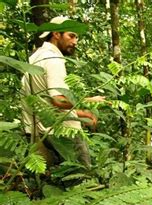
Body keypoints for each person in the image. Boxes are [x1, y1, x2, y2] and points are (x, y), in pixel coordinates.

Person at [20, 16, 104, 169]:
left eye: (77, 37)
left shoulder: (35, 57)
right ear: (56, 34)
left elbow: (46, 102)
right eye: (71, 36)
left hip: (37, 132)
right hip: (62, 133)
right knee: (81, 179)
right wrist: (88, 102)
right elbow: (58, 100)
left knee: (52, 184)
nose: (75, 41)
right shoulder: (54, 59)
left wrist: (83, 113)